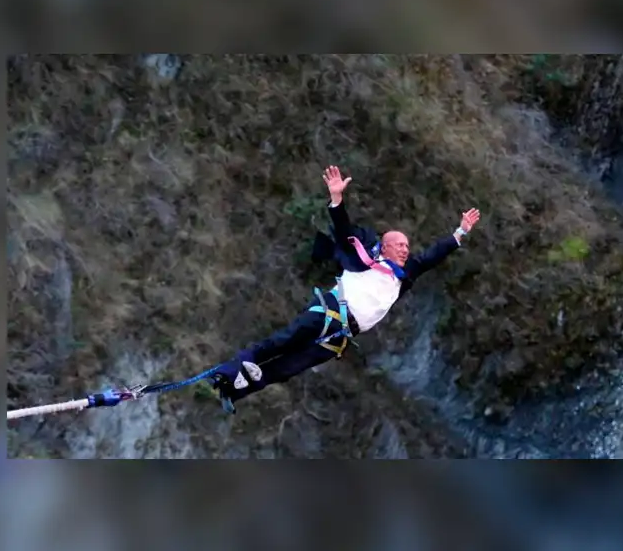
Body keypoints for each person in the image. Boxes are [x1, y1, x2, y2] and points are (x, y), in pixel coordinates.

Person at [206, 165, 481, 413]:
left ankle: (234, 391)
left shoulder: (405, 274)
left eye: (407, 247)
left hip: (342, 336)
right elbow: (343, 228)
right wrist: (337, 200)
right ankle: (228, 373)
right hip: (332, 311)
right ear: (384, 246)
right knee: (282, 341)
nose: (405, 249)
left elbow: (433, 255)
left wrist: (461, 232)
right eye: (399, 244)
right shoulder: (365, 258)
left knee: (289, 367)